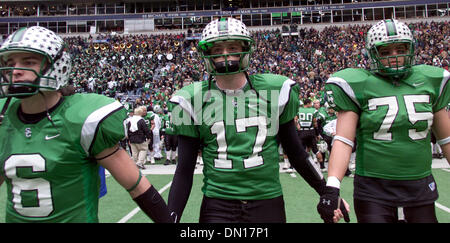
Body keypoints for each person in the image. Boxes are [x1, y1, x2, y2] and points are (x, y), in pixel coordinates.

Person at [167, 17, 349, 223]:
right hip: (218, 203)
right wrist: (170, 217)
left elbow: (296, 153)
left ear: (245, 49)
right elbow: (184, 169)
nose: (226, 55)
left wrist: (327, 193)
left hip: (267, 199)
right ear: (207, 54)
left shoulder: (274, 90)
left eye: (233, 47)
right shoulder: (191, 99)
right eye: (218, 49)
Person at [0, 26, 172, 223]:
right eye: (10, 63)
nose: (15, 71)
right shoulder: (4, 119)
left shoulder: (81, 118)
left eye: (28, 62)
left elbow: (136, 185)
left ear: (58, 66)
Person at [317, 19, 450, 223]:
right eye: (386, 52)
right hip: (373, 188)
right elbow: (343, 140)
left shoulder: (431, 80)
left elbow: (446, 139)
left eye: (400, 49)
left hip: (419, 184)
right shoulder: (358, 83)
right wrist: (332, 186)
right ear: (373, 54)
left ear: (411, 48)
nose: (395, 57)